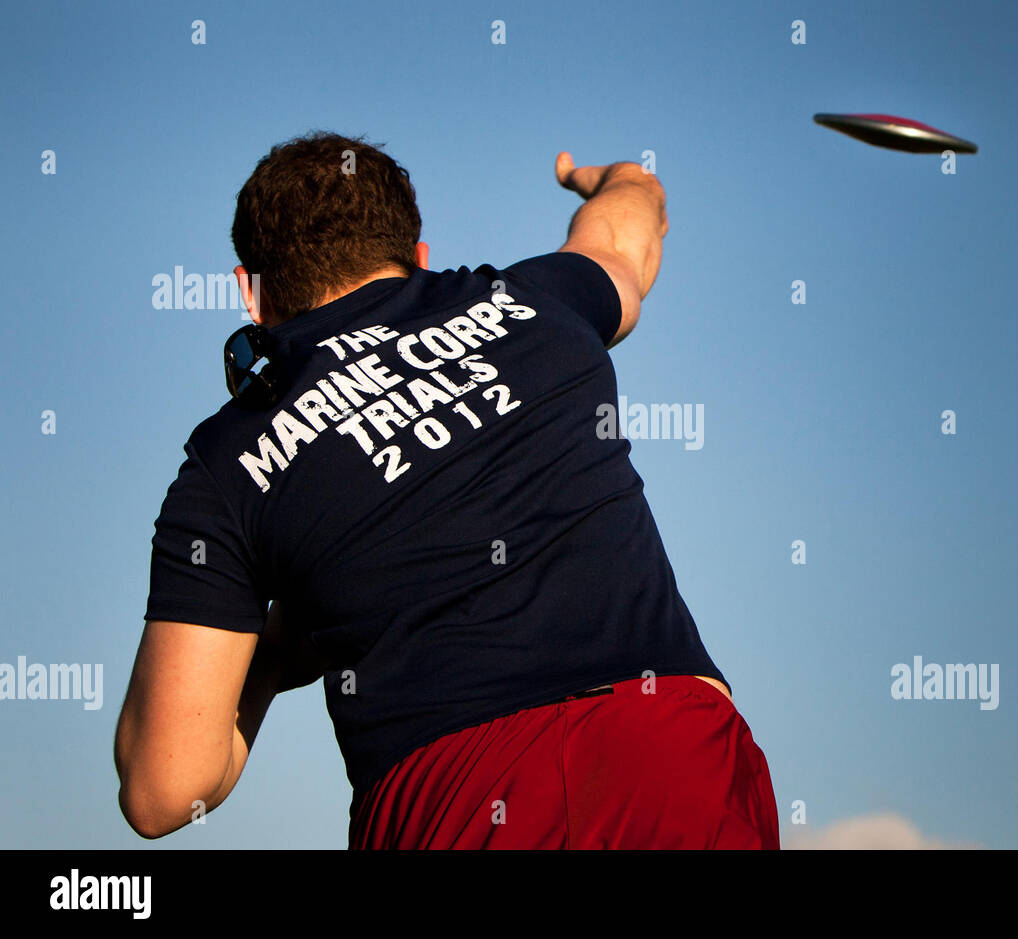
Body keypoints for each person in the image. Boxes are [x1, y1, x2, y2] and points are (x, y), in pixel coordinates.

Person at [114, 132, 780, 849]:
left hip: (452, 798)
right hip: (669, 749)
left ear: (250, 291)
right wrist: (624, 180)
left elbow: (163, 790)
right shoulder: (535, 302)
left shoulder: (228, 461)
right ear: (417, 257)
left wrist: (277, 650)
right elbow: (625, 240)